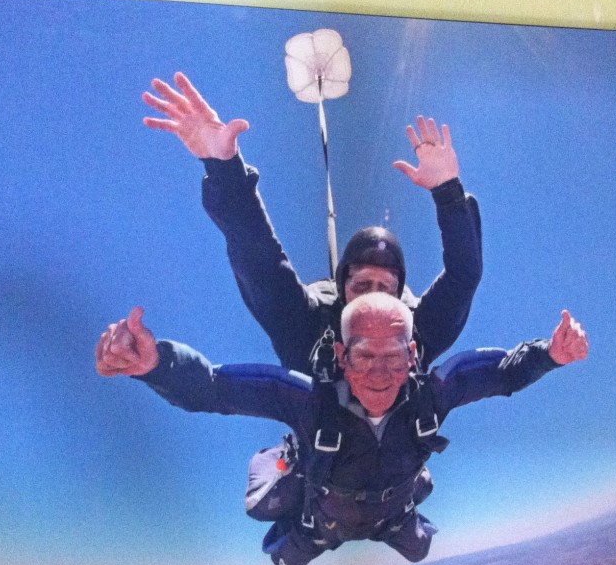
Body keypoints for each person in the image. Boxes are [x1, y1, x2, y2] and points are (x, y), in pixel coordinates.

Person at [95, 293, 589, 565]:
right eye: (363, 356)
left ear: (413, 357)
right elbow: (212, 388)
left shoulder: (431, 395)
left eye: (394, 356)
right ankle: (299, 502)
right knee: (285, 557)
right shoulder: (309, 402)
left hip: (393, 511)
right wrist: (155, 363)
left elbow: (499, 372)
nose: (378, 372)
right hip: (322, 521)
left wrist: (550, 353)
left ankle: (397, 513)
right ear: (340, 358)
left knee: (419, 548)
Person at [142, 72, 483, 375]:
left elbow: (463, 276)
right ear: (340, 289)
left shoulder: (415, 331)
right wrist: (224, 168)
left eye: (385, 288)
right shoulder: (305, 327)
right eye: (362, 286)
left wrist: (449, 193)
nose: (372, 300)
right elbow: (258, 260)